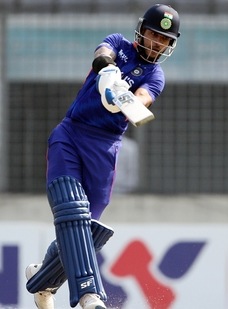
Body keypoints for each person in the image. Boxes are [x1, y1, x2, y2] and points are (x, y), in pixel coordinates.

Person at [23, 4, 180, 309]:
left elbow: (142, 101)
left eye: (164, 40)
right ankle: (90, 294)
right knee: (72, 209)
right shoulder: (119, 43)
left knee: (88, 228)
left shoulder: (156, 75)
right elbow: (102, 52)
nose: (157, 43)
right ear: (142, 32)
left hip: (105, 148)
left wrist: (123, 97)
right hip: (71, 134)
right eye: (153, 35)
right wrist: (107, 69)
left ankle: (43, 278)